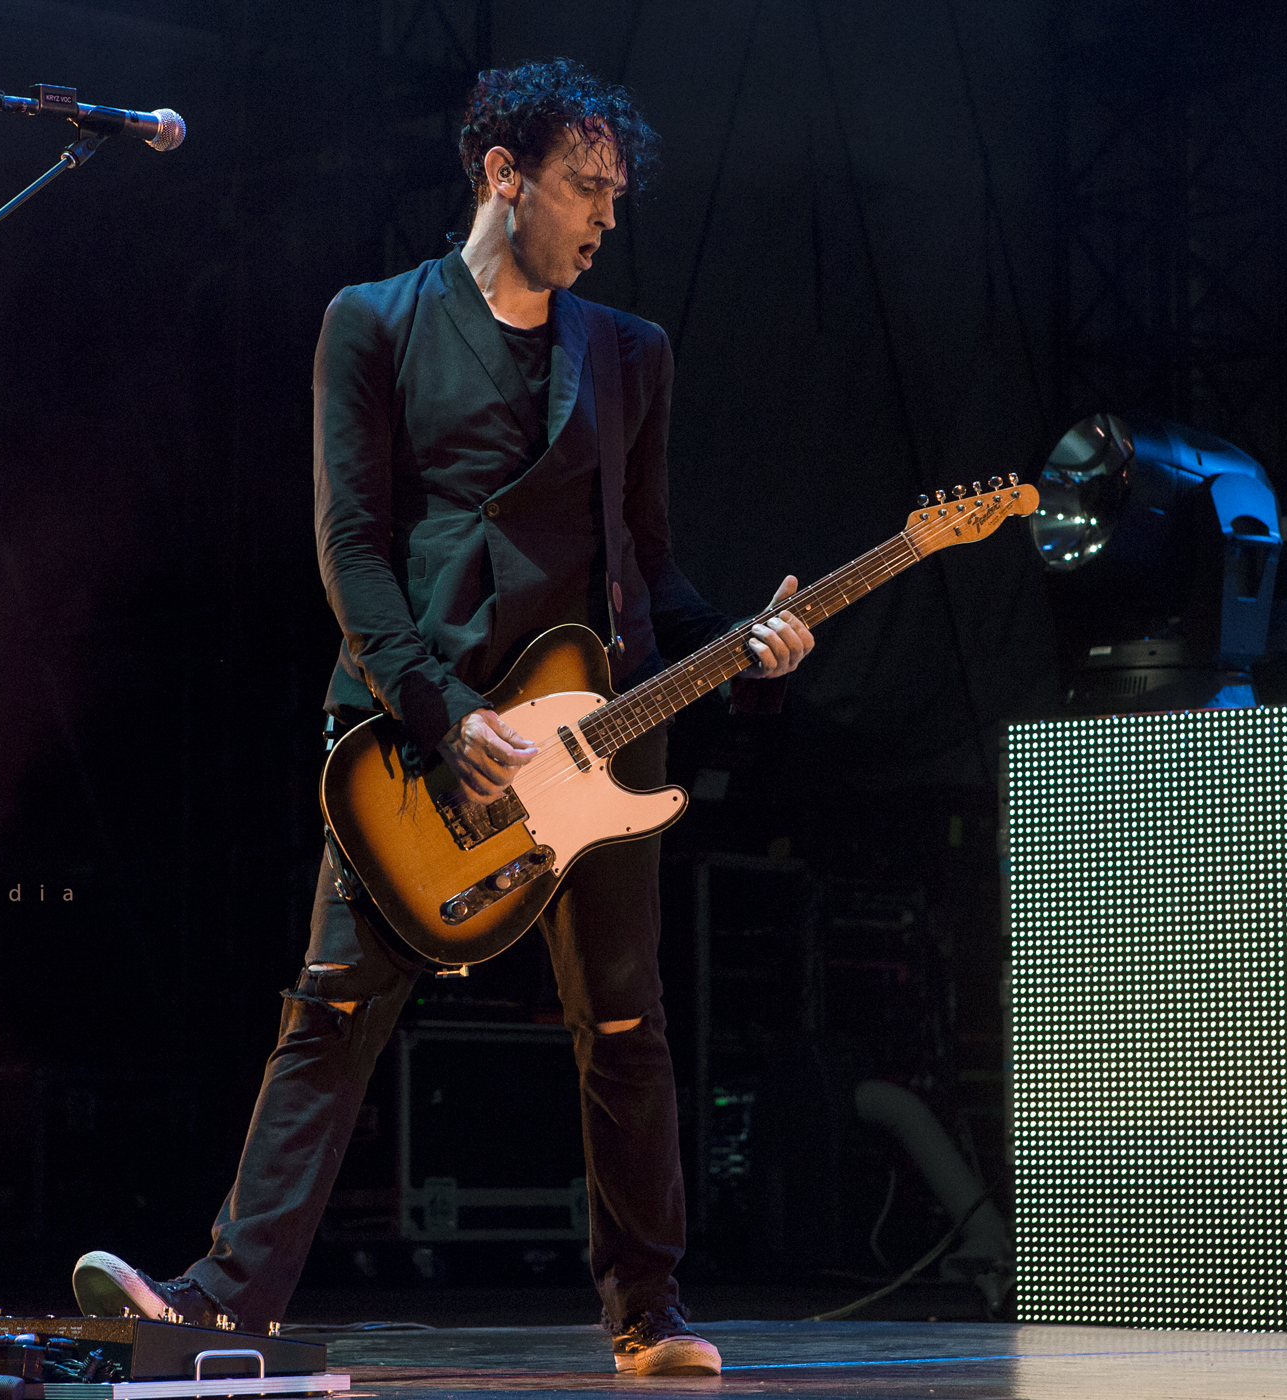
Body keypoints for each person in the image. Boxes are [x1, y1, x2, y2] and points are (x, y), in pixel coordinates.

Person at [71, 58, 814, 1377]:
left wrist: (742, 644)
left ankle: (648, 1311)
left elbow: (651, 565)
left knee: (624, 1022)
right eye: (585, 186)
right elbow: (352, 547)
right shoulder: (373, 321)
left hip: (597, 734)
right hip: (419, 733)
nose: (606, 216)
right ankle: (223, 1301)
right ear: (502, 174)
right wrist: (443, 712)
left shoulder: (629, 352)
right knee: (332, 1009)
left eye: (617, 193)